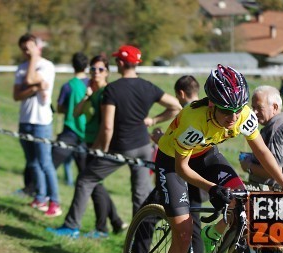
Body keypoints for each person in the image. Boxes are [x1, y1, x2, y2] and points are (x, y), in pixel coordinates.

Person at [152, 64, 283, 253]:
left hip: (206, 155)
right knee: (183, 235)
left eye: (238, 110)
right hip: (172, 162)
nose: (234, 117)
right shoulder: (194, 122)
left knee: (244, 206)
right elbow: (182, 168)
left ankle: (211, 236)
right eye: (227, 111)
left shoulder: (243, 116)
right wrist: (212, 188)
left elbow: (262, 151)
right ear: (212, 104)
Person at [47, 45, 182, 238]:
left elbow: (108, 126)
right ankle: (138, 241)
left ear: (120, 63)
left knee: (86, 180)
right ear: (136, 63)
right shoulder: (148, 86)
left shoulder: (112, 89)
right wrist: (153, 120)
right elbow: (175, 106)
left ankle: (71, 226)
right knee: (140, 196)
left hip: (120, 148)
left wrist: (99, 149)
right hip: (144, 146)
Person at [239, 85, 283, 253]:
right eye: (252, 107)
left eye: (259, 107)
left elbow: (272, 169)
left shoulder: (273, 130)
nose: (254, 112)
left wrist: (248, 165)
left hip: (270, 201)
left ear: (274, 107)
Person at [151, 75, 207, 253]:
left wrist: (158, 137)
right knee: (195, 224)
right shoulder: (210, 112)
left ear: (181, 94)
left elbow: (173, 147)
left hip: (176, 171)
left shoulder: (188, 113)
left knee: (151, 214)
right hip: (198, 173)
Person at [73, 55, 128, 238]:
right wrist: (87, 95)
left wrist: (99, 147)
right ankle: (116, 222)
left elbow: (107, 124)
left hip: (97, 144)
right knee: (95, 185)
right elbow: (76, 113)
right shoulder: (92, 91)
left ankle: (102, 227)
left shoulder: (106, 92)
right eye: (93, 69)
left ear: (107, 72)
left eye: (100, 69)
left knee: (93, 184)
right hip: (87, 141)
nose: (96, 72)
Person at [13, 33, 61, 217]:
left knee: (45, 163)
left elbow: (28, 79)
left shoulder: (46, 65)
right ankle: (40, 197)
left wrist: (34, 59)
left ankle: (54, 202)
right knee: (32, 163)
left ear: (37, 46)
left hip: (41, 122)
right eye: (24, 48)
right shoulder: (21, 67)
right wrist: (35, 88)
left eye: (30, 47)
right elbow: (16, 95)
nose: (27, 51)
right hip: (25, 120)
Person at [51, 52, 89, 186]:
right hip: (88, 134)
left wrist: (72, 109)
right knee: (87, 176)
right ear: (87, 66)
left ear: (73, 66)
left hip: (69, 131)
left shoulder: (68, 86)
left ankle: (35, 192)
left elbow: (60, 109)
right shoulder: (93, 84)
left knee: (50, 166)